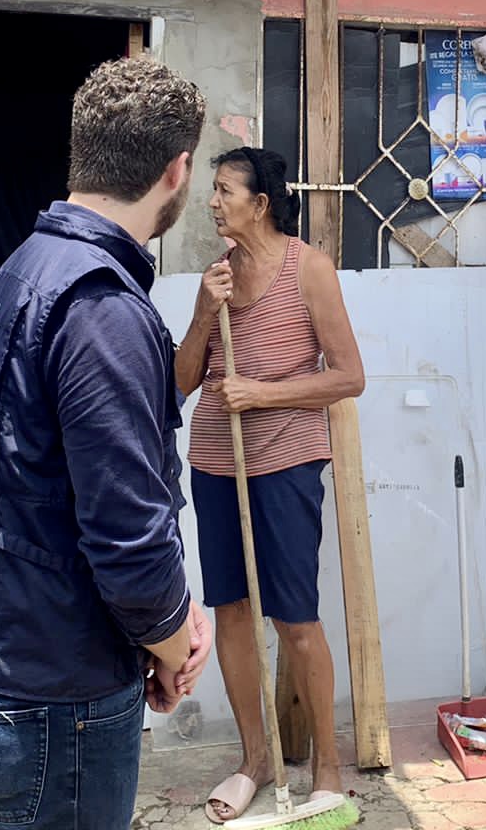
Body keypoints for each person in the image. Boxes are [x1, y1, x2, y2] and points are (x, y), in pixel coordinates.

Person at [0, 55, 215, 830]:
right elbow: (126, 533)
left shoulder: (21, 274)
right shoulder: (100, 309)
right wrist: (169, 640)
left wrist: (147, 639)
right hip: (55, 692)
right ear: (178, 169)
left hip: (14, 655)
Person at [175, 146, 367, 824]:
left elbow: (349, 376)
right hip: (217, 463)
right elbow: (182, 381)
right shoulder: (217, 275)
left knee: (295, 617)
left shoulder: (308, 269)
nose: (212, 201)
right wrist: (203, 311)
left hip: (285, 462)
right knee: (230, 611)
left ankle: (328, 769)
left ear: (260, 202)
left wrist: (260, 392)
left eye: (225, 190)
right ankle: (255, 758)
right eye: (213, 189)